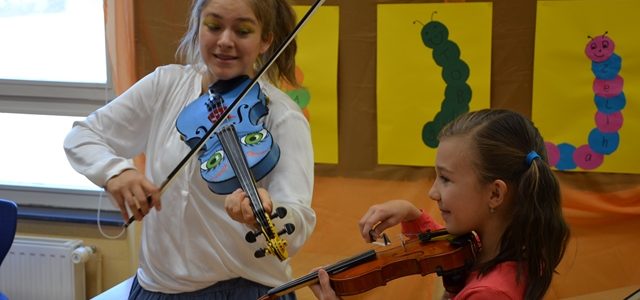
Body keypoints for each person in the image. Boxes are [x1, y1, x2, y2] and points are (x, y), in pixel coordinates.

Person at [64, 0, 315, 299]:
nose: (225, 41)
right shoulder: (166, 85)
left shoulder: (280, 115)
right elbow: (82, 136)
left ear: (265, 41)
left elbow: (297, 218)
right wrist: (116, 172)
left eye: (243, 31)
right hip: (155, 288)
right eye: (214, 26)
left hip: (244, 289)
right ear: (198, 28)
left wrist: (265, 213)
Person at [310, 109, 570, 300]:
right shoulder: (504, 252)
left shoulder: (489, 294)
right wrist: (411, 215)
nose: (432, 192)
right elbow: (450, 251)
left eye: (445, 179)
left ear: (495, 194)